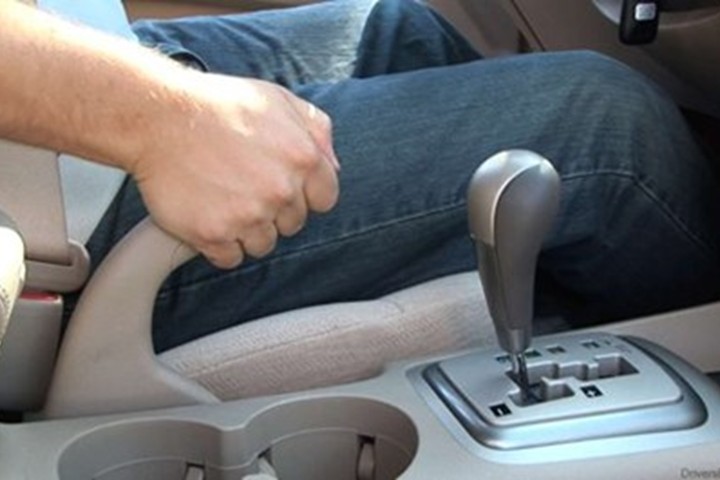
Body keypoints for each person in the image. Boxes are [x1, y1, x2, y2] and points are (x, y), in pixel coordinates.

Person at [1, 0, 719, 353]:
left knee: (404, 31)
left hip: (57, 59)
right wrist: (162, 121)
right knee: (606, 132)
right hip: (52, 212)